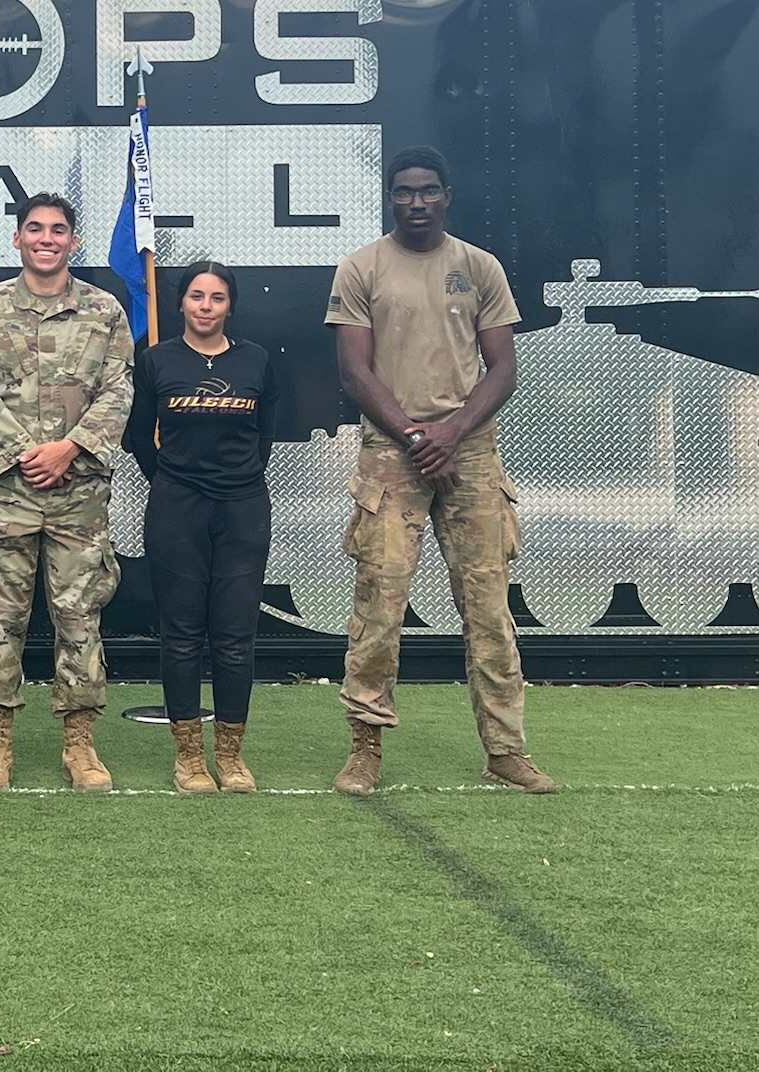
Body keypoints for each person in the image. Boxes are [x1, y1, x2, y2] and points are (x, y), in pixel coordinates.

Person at [325, 146, 555, 794]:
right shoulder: (361, 268)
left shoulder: (478, 267)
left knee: (488, 607)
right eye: (404, 192)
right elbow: (354, 371)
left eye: (427, 191)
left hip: (472, 454)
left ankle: (505, 750)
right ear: (390, 197)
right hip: (391, 456)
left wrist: (451, 433)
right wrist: (417, 436)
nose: (416, 202)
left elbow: (503, 368)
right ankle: (364, 749)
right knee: (380, 604)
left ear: (446, 195)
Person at [0, 195, 133, 793]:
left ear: (72, 242)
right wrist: (23, 453)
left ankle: (80, 746)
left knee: (80, 620)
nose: (46, 238)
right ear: (18, 239)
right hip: (7, 491)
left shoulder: (104, 310)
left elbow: (119, 389)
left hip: (78, 493)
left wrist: (70, 448)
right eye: (35, 229)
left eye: (58, 230)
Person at [126, 261, 278, 793]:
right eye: (196, 296)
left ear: (230, 305)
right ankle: (189, 758)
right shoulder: (156, 361)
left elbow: (265, 433)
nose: (206, 306)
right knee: (183, 635)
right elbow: (140, 437)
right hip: (177, 510)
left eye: (216, 298)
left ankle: (231, 757)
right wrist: (174, 481)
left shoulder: (255, 360)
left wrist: (233, 481)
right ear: (182, 304)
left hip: (242, 508)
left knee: (235, 637)